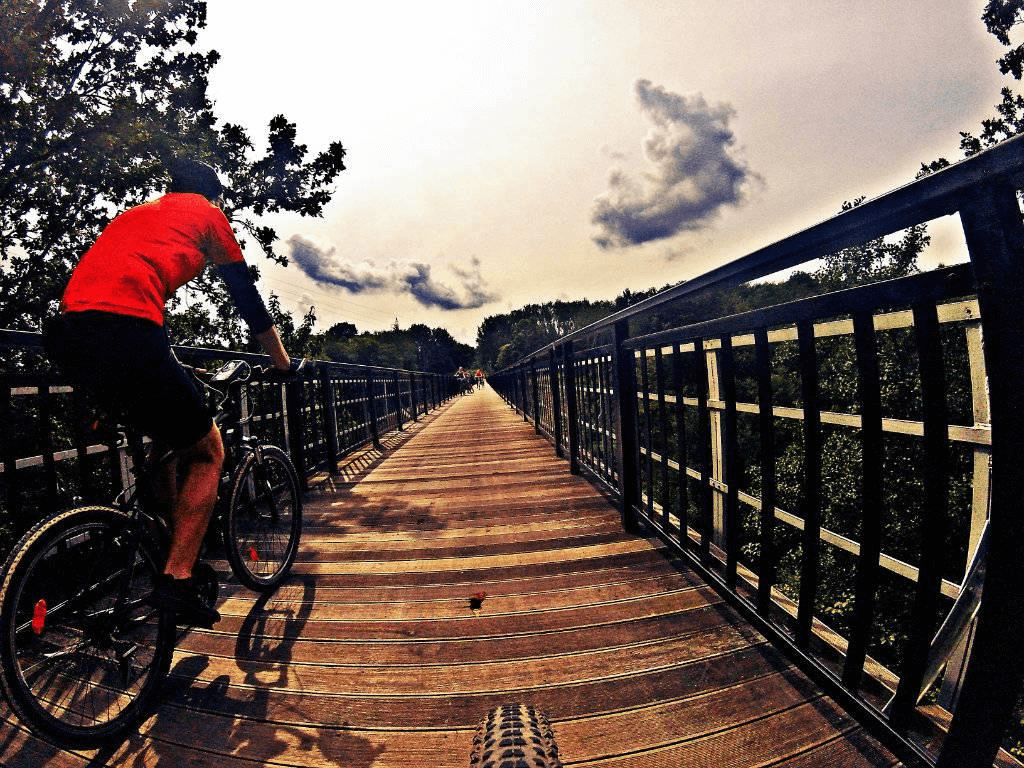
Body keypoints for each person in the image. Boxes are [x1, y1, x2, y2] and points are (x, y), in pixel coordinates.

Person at [49, 157, 295, 628]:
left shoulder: (137, 216)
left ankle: (161, 539)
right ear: (214, 196)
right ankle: (177, 577)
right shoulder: (207, 213)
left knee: (168, 435)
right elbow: (247, 298)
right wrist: (281, 362)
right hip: (127, 331)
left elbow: (117, 289)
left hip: (70, 334)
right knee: (208, 451)